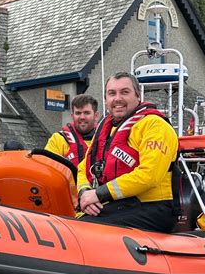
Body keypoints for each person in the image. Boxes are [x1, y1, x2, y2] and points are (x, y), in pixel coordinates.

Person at [77, 72, 179, 233]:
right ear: (105, 99)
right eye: (112, 93)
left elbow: (149, 176)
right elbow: (84, 167)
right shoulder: (106, 129)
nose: (117, 99)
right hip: (116, 204)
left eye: (125, 92)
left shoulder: (155, 126)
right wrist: (85, 193)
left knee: (84, 229)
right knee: (75, 222)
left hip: (153, 208)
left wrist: (99, 194)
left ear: (138, 96)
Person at [45, 94, 98, 167]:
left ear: (96, 116)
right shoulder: (58, 140)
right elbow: (47, 168)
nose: (82, 117)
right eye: (78, 113)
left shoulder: (106, 139)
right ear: (72, 116)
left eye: (86, 113)